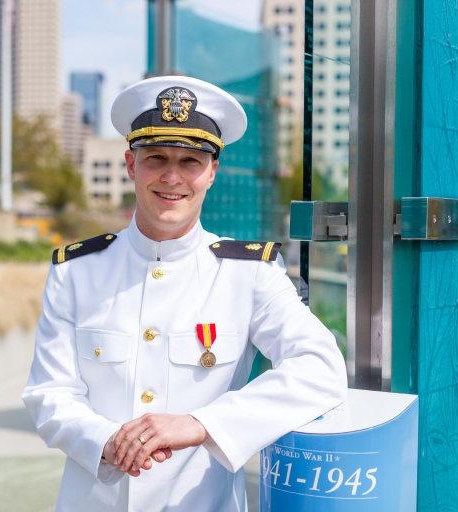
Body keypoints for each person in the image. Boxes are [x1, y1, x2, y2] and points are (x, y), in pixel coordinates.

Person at [22, 76, 347, 511]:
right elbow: (49, 394)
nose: (172, 177)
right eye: (156, 157)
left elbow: (320, 368)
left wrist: (198, 424)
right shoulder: (77, 271)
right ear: (130, 165)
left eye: (191, 161)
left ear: (212, 172)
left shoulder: (250, 273)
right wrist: (111, 442)